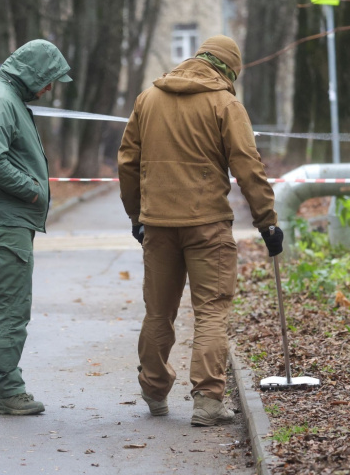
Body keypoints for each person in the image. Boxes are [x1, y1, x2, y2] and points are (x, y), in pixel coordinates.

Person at [118, 35, 284, 426]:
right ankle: (208, 399)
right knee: (211, 310)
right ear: (228, 69)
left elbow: (127, 162)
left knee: (159, 311)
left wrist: (137, 216)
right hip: (208, 226)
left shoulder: (147, 99)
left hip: (158, 225)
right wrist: (267, 221)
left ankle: (154, 390)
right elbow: (247, 164)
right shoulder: (225, 103)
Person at [0, 40, 71, 415]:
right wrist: (31, 191)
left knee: (5, 304)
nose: (48, 89)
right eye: (48, 81)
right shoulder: (0, 100)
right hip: (6, 216)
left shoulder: (5, 96)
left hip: (7, 216)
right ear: (34, 73)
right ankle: (8, 390)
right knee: (13, 307)